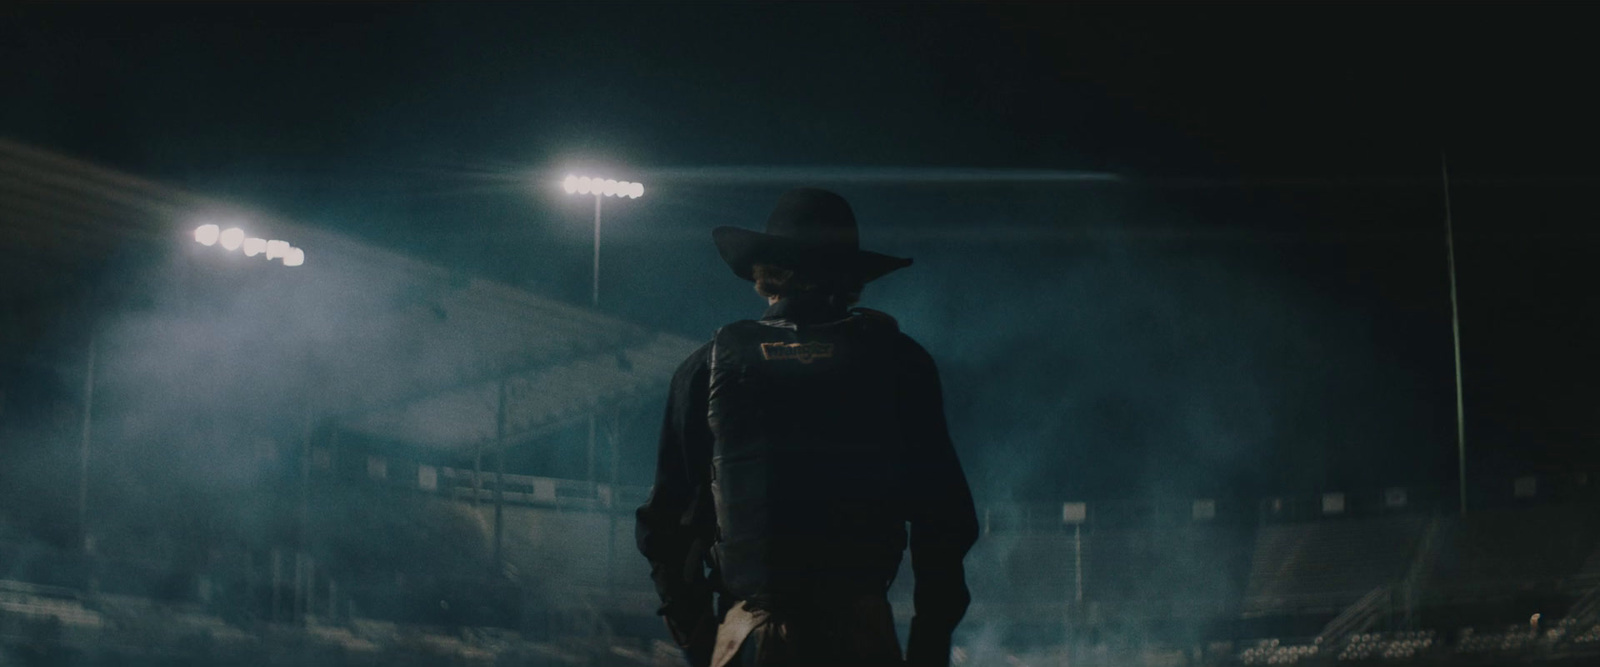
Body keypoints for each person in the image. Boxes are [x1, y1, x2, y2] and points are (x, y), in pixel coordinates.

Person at [635, 188, 979, 667]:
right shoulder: (901, 361)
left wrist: (697, 635)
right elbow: (943, 521)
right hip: (861, 634)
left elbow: (666, 522)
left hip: (748, 635)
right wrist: (928, 647)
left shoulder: (708, 365)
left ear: (766, 273)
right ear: (853, 278)